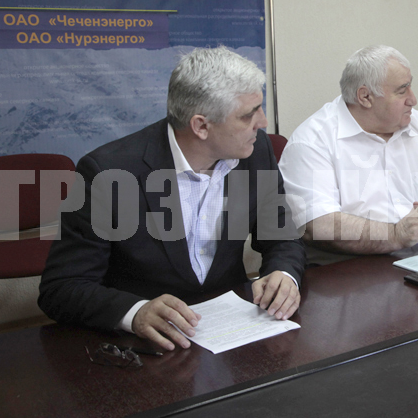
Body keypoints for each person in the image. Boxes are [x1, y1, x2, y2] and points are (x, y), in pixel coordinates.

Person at [39, 46, 306, 351]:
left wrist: (284, 274)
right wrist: (135, 312)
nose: (263, 122)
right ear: (201, 126)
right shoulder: (108, 172)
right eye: (248, 115)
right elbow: (61, 288)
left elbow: (282, 236)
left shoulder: (255, 152)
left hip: (234, 333)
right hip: (148, 347)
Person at [278, 45, 418, 260]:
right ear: (365, 97)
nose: (413, 99)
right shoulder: (312, 141)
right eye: (402, 91)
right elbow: (319, 225)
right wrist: (396, 235)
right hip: (353, 268)